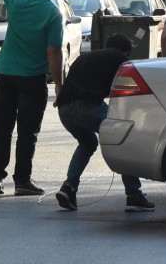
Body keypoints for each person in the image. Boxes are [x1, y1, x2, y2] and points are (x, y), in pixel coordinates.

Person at [54, 34, 156, 212]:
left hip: (64, 110)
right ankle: (134, 195)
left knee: (87, 143)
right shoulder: (119, 58)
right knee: (125, 141)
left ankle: (69, 187)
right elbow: (133, 88)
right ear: (125, 51)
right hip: (87, 107)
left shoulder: (85, 57)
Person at [0, 0, 65, 196]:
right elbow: (54, 51)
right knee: (27, 131)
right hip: (31, 77)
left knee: (2, 126)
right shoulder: (53, 12)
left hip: (5, 72)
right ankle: (22, 180)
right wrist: (60, 87)